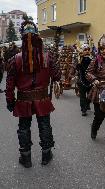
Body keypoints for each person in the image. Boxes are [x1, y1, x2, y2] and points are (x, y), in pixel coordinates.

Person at [5, 20, 61, 168]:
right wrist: (54, 62)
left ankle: (26, 158)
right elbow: (57, 76)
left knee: (24, 128)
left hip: (24, 101)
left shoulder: (15, 59)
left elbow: (10, 84)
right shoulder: (48, 57)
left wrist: (10, 101)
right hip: (42, 99)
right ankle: (46, 155)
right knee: (44, 126)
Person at [77, 44, 92, 116]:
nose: (87, 51)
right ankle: (83, 110)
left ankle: (87, 104)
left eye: (88, 50)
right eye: (85, 50)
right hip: (81, 80)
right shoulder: (79, 59)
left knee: (90, 96)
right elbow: (76, 68)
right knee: (82, 96)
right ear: (82, 51)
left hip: (90, 80)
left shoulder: (92, 59)